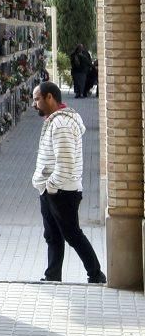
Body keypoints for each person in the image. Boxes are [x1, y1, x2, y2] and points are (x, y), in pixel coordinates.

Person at [32, 81, 106, 284]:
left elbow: (65, 161)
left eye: (37, 99)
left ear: (50, 98)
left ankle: (96, 275)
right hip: (52, 190)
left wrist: (52, 186)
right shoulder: (54, 120)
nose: (34, 104)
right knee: (53, 236)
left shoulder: (61, 124)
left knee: (72, 234)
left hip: (62, 191)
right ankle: (52, 276)